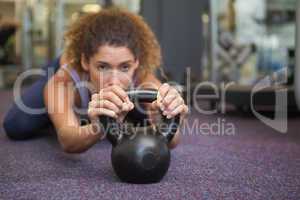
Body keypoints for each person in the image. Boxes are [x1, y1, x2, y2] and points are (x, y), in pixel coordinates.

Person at [3, 8, 188, 153]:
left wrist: (167, 117)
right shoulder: (64, 80)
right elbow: (69, 141)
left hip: (124, 88)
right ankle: (61, 114)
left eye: (124, 67)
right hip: (63, 69)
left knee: (145, 113)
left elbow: (172, 141)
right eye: (103, 67)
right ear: (85, 61)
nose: (114, 81)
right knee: (18, 125)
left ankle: (119, 111)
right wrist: (100, 125)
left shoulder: (142, 76)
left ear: (136, 63)